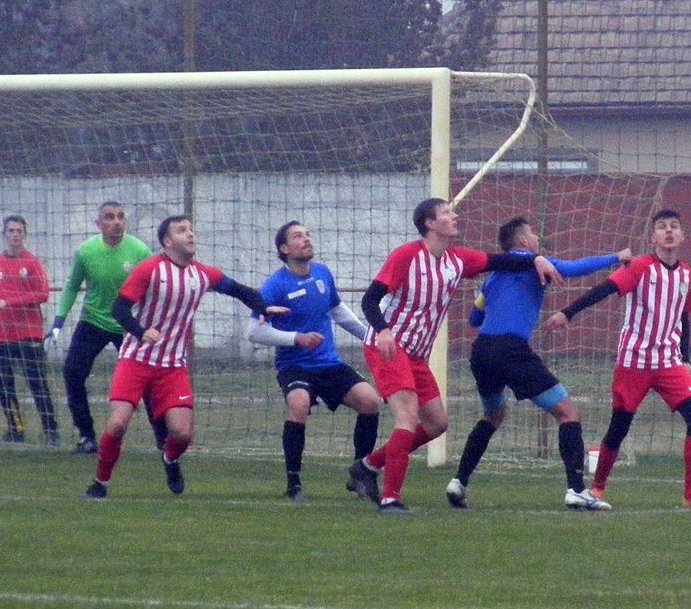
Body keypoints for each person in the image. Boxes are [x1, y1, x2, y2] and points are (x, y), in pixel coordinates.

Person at [348, 197, 563, 512]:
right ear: (429, 224)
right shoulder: (407, 255)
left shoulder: (457, 259)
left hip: (416, 355)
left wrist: (537, 258)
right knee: (407, 417)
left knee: (437, 424)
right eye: (447, 212)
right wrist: (383, 330)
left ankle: (367, 466)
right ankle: (391, 498)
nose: (455, 215)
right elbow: (370, 300)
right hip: (389, 349)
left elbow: (501, 261)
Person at [83, 215, 287, 500]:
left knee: (182, 434)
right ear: (167, 242)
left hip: (173, 365)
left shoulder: (203, 274)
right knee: (117, 424)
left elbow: (240, 291)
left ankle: (170, 459)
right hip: (135, 360)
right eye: (182, 231)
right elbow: (119, 309)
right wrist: (141, 332)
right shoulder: (149, 269)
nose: (191, 234)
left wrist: (263, 308)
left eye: (191, 230)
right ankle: (100, 483)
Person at [445, 217, 631, 510]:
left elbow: (474, 319)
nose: (536, 237)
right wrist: (617, 257)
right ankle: (576, 490)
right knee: (568, 413)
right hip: (511, 350)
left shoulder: (493, 277)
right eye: (532, 233)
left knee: (492, 415)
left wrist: (494, 301)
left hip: (481, 351)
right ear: (523, 241)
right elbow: (573, 269)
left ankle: (458, 482)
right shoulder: (536, 262)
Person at [547, 209, 691, 510]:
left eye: (674, 227)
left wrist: (685, 357)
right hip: (634, 362)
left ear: (682, 236)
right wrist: (567, 313)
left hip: (669, 361)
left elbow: (683, 317)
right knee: (619, 427)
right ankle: (597, 488)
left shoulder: (689, 275)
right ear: (653, 237)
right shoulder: (640, 267)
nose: (669, 231)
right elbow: (604, 289)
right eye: (662, 227)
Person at [246, 221, 381, 501]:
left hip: (329, 364)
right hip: (295, 366)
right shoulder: (274, 285)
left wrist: (371, 337)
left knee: (370, 401)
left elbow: (338, 311)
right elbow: (254, 332)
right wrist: (296, 338)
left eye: (307, 235)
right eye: (298, 236)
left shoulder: (322, 273)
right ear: (284, 249)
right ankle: (293, 483)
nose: (306, 239)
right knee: (298, 403)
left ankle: (361, 473)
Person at [48, 201, 168, 455]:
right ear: (99, 224)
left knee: (147, 379)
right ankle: (86, 436)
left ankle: (163, 438)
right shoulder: (86, 252)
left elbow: (156, 285)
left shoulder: (139, 250)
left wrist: (154, 321)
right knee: (72, 372)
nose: (116, 222)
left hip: (129, 324)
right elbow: (72, 286)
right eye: (110, 217)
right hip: (94, 320)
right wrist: (58, 321)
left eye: (120, 217)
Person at [0, 215, 60, 445]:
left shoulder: (32, 262)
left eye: (19, 231)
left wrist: (10, 302)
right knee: (4, 387)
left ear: (25, 235)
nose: (15, 235)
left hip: (28, 334)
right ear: (5, 234)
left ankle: (51, 431)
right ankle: (16, 430)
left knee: (37, 384)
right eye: (11, 231)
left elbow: (43, 294)